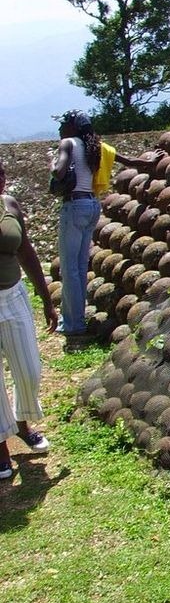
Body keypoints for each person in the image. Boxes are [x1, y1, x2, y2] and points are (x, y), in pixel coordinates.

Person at [50, 110, 162, 348]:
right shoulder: (97, 147)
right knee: (80, 267)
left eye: (63, 123)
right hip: (92, 205)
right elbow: (129, 162)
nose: (60, 128)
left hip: (74, 206)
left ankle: (74, 325)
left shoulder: (67, 143)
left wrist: (54, 161)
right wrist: (151, 161)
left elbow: (58, 172)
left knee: (70, 269)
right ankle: (74, 320)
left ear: (71, 126)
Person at [1, 156, 58, 480]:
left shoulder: (9, 204)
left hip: (14, 296)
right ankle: (1, 446)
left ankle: (22, 423)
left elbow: (25, 250)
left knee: (29, 370)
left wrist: (46, 298)